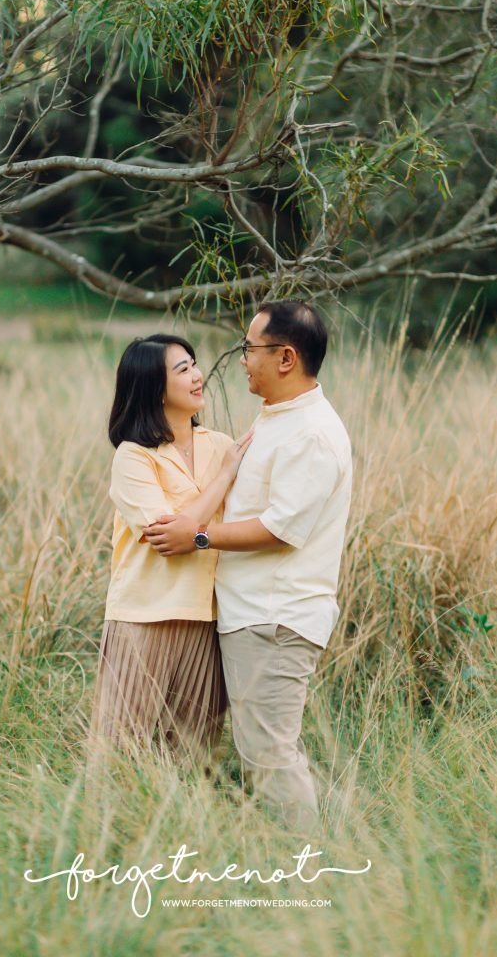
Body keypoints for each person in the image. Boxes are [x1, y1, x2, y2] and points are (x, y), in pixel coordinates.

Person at [143, 301, 352, 830]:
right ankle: (344, 842)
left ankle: (310, 876)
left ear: (285, 358)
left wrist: (199, 537)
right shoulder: (280, 417)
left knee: (268, 757)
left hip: (276, 619)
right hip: (253, 614)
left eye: (249, 348)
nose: (240, 359)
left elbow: (281, 529)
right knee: (267, 749)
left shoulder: (312, 435)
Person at [90, 333, 252, 762]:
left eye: (195, 364)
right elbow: (172, 539)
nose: (199, 375)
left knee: (192, 754)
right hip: (145, 618)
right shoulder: (134, 457)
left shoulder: (219, 444)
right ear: (153, 387)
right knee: (121, 751)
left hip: (206, 618)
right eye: (183, 370)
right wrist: (224, 478)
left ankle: (182, 830)